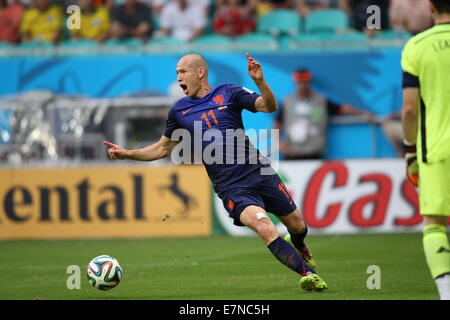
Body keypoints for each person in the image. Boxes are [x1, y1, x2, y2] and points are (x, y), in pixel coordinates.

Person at [103, 53, 328, 292]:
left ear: (200, 72)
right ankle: (309, 274)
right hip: (231, 186)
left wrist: (260, 81)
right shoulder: (179, 111)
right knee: (265, 227)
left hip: (259, 171)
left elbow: (269, 106)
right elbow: (161, 148)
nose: (178, 77)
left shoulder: (228, 92)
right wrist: (128, 153)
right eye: (177, 73)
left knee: (297, 225)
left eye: (182, 72)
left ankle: (299, 244)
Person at [401, 0, 450, 300]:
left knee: (434, 224)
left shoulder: (416, 46)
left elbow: (408, 110)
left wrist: (410, 151)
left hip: (436, 149)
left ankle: (446, 292)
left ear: (431, 6)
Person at [275, 68, 375, 160]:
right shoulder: (287, 102)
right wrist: (279, 143)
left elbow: (342, 108)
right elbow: (277, 124)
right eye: (300, 82)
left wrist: (363, 113)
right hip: (292, 153)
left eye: (305, 82)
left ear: (309, 82)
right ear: (295, 83)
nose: (302, 85)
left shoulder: (321, 101)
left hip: (314, 153)